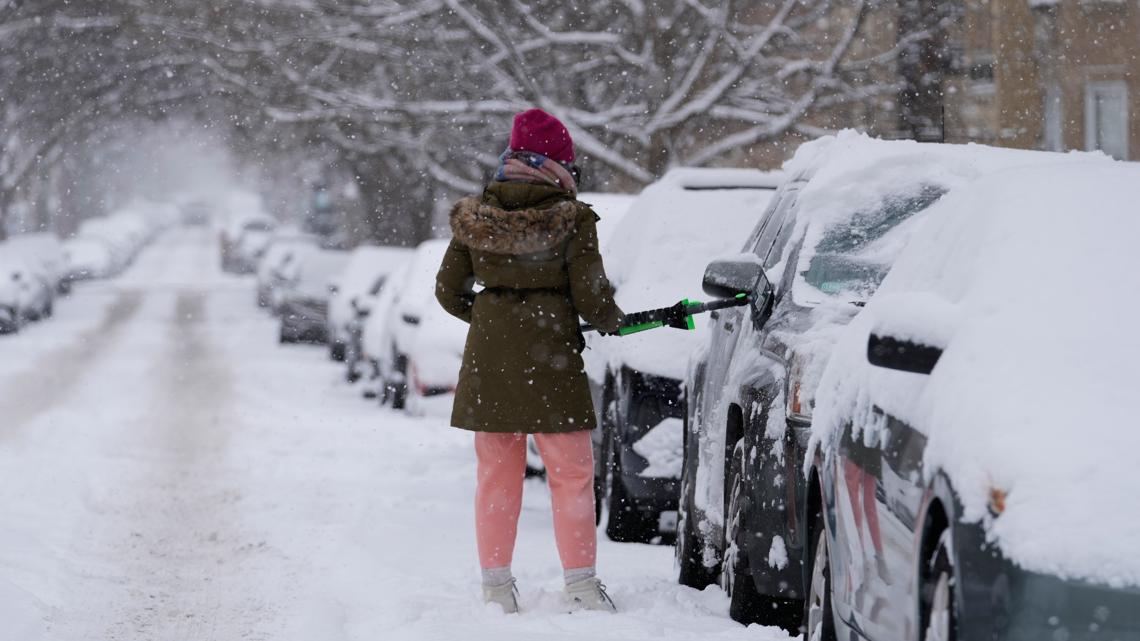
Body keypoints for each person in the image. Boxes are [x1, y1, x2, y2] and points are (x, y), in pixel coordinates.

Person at [435, 108, 624, 614]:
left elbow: (448, 290)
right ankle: (581, 586)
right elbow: (591, 297)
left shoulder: (477, 215)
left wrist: (489, 319)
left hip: (490, 361)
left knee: (496, 475)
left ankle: (497, 589)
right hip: (553, 361)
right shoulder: (574, 219)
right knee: (572, 474)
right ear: (558, 164)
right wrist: (612, 319)